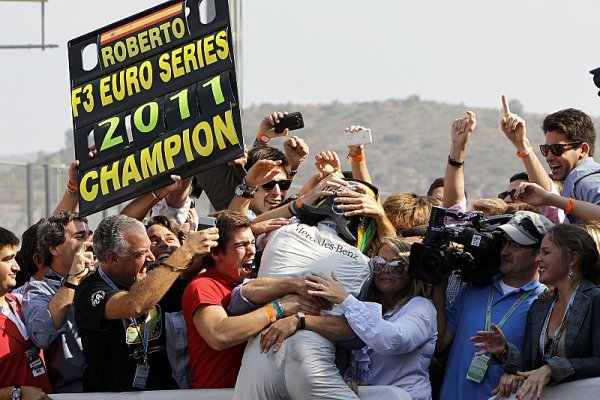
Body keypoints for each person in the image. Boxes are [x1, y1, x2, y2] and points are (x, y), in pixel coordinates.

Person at [232, 174, 397, 400]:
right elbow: (357, 332)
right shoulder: (363, 265)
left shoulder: (281, 232)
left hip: (260, 351)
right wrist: (381, 216)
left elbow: (247, 228)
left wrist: (301, 203)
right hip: (311, 357)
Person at [74, 214, 218, 392]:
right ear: (113, 258)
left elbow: (186, 274)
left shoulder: (152, 273)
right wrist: (186, 252)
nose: (151, 257)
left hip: (160, 392)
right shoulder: (90, 290)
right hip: (113, 396)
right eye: (141, 253)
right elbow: (135, 304)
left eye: (150, 249)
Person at [432, 211, 553, 400]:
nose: (504, 251)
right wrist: (439, 286)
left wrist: (513, 370)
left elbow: (540, 367)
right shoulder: (473, 288)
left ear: (538, 253)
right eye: (504, 243)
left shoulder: (545, 302)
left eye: (515, 245)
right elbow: (440, 343)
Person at [471, 224, 600, 399]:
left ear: (572, 258)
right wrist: (505, 352)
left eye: (545, 252)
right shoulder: (540, 306)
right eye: (539, 252)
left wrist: (551, 369)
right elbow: (529, 366)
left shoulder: (595, 299)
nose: (538, 258)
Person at [305, 236, 437, 400]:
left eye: (398, 266)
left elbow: (394, 340)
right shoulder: (364, 302)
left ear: (411, 273)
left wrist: (345, 299)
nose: (385, 270)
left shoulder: (422, 306)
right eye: (379, 262)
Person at [21, 211, 93, 393]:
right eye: (79, 236)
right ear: (53, 248)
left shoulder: (99, 278)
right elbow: (41, 335)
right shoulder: (37, 291)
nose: (89, 243)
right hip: (74, 393)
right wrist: (72, 280)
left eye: (89, 235)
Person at [0, 227, 51, 399]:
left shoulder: (21, 302)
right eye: (7, 259)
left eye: (15, 258)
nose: (16, 267)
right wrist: (15, 393)